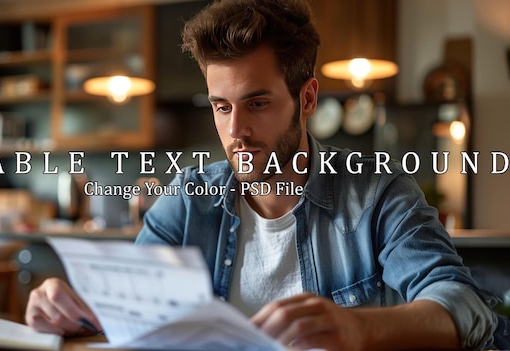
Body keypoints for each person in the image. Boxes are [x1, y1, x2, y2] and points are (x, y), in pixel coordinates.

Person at [25, 0, 509, 349]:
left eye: (257, 103)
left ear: (307, 99)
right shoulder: (189, 198)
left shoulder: (378, 192)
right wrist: (73, 311)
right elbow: (134, 314)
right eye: (221, 107)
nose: (236, 130)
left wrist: (357, 329)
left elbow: (463, 305)